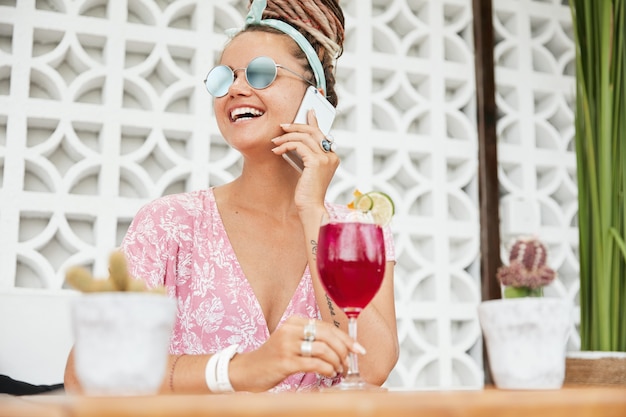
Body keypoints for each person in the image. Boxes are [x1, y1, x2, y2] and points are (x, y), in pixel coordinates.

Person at [64, 0, 398, 393]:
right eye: (224, 78)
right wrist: (237, 371)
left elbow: (372, 367)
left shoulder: (356, 231)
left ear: (316, 99)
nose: (237, 89)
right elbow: (85, 372)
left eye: (261, 74)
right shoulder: (169, 223)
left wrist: (313, 210)